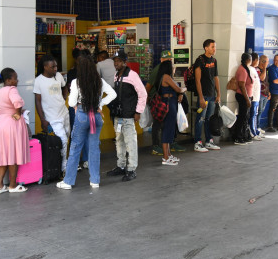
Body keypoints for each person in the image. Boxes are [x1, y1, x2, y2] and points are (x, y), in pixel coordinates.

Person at [58, 55, 116, 189]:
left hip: (82, 116)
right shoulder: (99, 81)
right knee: (94, 148)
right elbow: (113, 94)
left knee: (75, 148)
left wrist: (76, 106)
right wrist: (100, 104)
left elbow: (71, 102)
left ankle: (68, 181)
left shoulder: (76, 82)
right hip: (96, 117)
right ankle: (95, 180)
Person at [106, 50, 147, 180]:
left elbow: (143, 93)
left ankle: (131, 169)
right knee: (119, 141)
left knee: (130, 142)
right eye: (114, 61)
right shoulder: (116, 75)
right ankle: (121, 165)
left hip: (129, 115)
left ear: (124, 62)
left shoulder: (132, 75)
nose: (116, 63)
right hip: (118, 115)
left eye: (118, 61)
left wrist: (138, 112)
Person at [0, 67, 29, 195]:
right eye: (15, 78)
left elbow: (5, 107)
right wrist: (18, 113)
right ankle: (13, 185)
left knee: (4, 156)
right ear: (8, 80)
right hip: (11, 125)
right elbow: (17, 102)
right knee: (13, 155)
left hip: (0, 124)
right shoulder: (12, 89)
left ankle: (0, 185)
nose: (17, 80)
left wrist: (16, 111)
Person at [33, 55, 69, 174]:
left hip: (64, 112)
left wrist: (64, 96)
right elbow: (37, 101)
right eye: (52, 67)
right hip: (52, 116)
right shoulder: (38, 81)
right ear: (45, 67)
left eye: (56, 66)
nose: (55, 69)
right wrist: (42, 119)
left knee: (67, 136)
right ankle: (63, 167)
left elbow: (64, 87)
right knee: (62, 139)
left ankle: (61, 163)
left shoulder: (58, 76)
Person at [146, 50, 185, 156]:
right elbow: (148, 86)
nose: (169, 61)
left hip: (167, 101)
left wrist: (180, 94)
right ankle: (157, 147)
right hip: (159, 101)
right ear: (161, 60)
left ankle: (169, 145)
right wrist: (147, 99)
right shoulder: (159, 71)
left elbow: (174, 86)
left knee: (167, 125)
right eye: (167, 60)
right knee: (159, 124)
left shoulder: (168, 72)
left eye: (170, 59)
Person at [154, 60, 186, 165]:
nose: (174, 68)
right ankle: (166, 157)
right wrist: (184, 89)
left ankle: (168, 154)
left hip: (170, 104)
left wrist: (180, 93)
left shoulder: (165, 77)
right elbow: (178, 89)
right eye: (172, 66)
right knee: (167, 129)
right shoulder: (166, 77)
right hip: (168, 106)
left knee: (169, 129)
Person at [193, 38, 221, 152]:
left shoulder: (214, 60)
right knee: (200, 119)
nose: (214, 49)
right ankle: (197, 142)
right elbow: (197, 80)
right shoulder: (200, 60)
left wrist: (218, 94)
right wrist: (200, 97)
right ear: (206, 48)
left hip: (212, 95)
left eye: (215, 46)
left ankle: (209, 141)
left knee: (209, 119)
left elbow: (216, 78)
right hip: (203, 96)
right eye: (212, 47)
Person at [66, 48, 89, 169]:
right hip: (75, 106)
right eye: (79, 59)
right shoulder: (72, 73)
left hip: (87, 105)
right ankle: (74, 161)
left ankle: (86, 159)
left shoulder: (89, 72)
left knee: (86, 133)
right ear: (75, 59)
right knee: (75, 133)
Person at [233, 53, 254, 145]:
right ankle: (237, 137)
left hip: (246, 96)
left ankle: (244, 135)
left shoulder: (245, 68)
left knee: (246, 117)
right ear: (248, 60)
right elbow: (241, 85)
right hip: (242, 96)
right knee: (242, 117)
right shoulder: (242, 70)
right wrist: (247, 99)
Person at [247, 52, 263, 141]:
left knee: (255, 114)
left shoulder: (254, 69)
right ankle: (252, 132)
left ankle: (255, 130)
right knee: (252, 115)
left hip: (256, 97)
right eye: (258, 60)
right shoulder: (249, 69)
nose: (258, 61)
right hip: (253, 97)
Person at [255, 54, 270, 137]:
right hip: (259, 94)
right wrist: (264, 68)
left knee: (261, 110)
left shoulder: (265, 70)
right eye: (267, 61)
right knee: (258, 111)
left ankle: (258, 126)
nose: (268, 63)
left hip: (265, 93)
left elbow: (267, 81)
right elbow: (262, 78)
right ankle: (256, 127)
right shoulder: (258, 69)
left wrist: (269, 92)